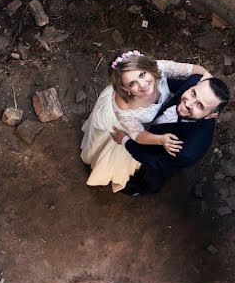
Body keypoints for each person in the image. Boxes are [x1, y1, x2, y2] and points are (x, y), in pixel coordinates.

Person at [80, 51, 210, 192]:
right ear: (125, 88)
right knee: (115, 150)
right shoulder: (124, 107)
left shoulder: (159, 67)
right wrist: (160, 140)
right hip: (128, 126)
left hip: (152, 120)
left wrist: (209, 94)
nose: (142, 85)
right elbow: (138, 135)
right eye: (132, 84)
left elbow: (197, 70)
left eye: (142, 74)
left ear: (148, 68)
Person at [113, 75, 230, 195]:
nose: (188, 104)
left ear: (212, 115)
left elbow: (159, 163)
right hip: (151, 130)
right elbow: (164, 84)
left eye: (200, 106)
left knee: (153, 177)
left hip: (162, 157)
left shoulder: (189, 149)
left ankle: (140, 189)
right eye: (193, 93)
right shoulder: (195, 81)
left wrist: (125, 141)